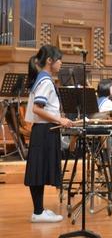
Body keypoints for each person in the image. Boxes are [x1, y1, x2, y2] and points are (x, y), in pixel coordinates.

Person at [24, 45, 74, 223]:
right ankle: (37, 213)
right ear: (50, 61)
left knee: (40, 169)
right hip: (44, 131)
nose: (61, 63)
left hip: (45, 130)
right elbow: (38, 108)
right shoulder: (45, 81)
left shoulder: (43, 78)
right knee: (38, 170)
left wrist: (59, 117)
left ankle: (39, 210)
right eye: (59, 59)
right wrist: (59, 120)